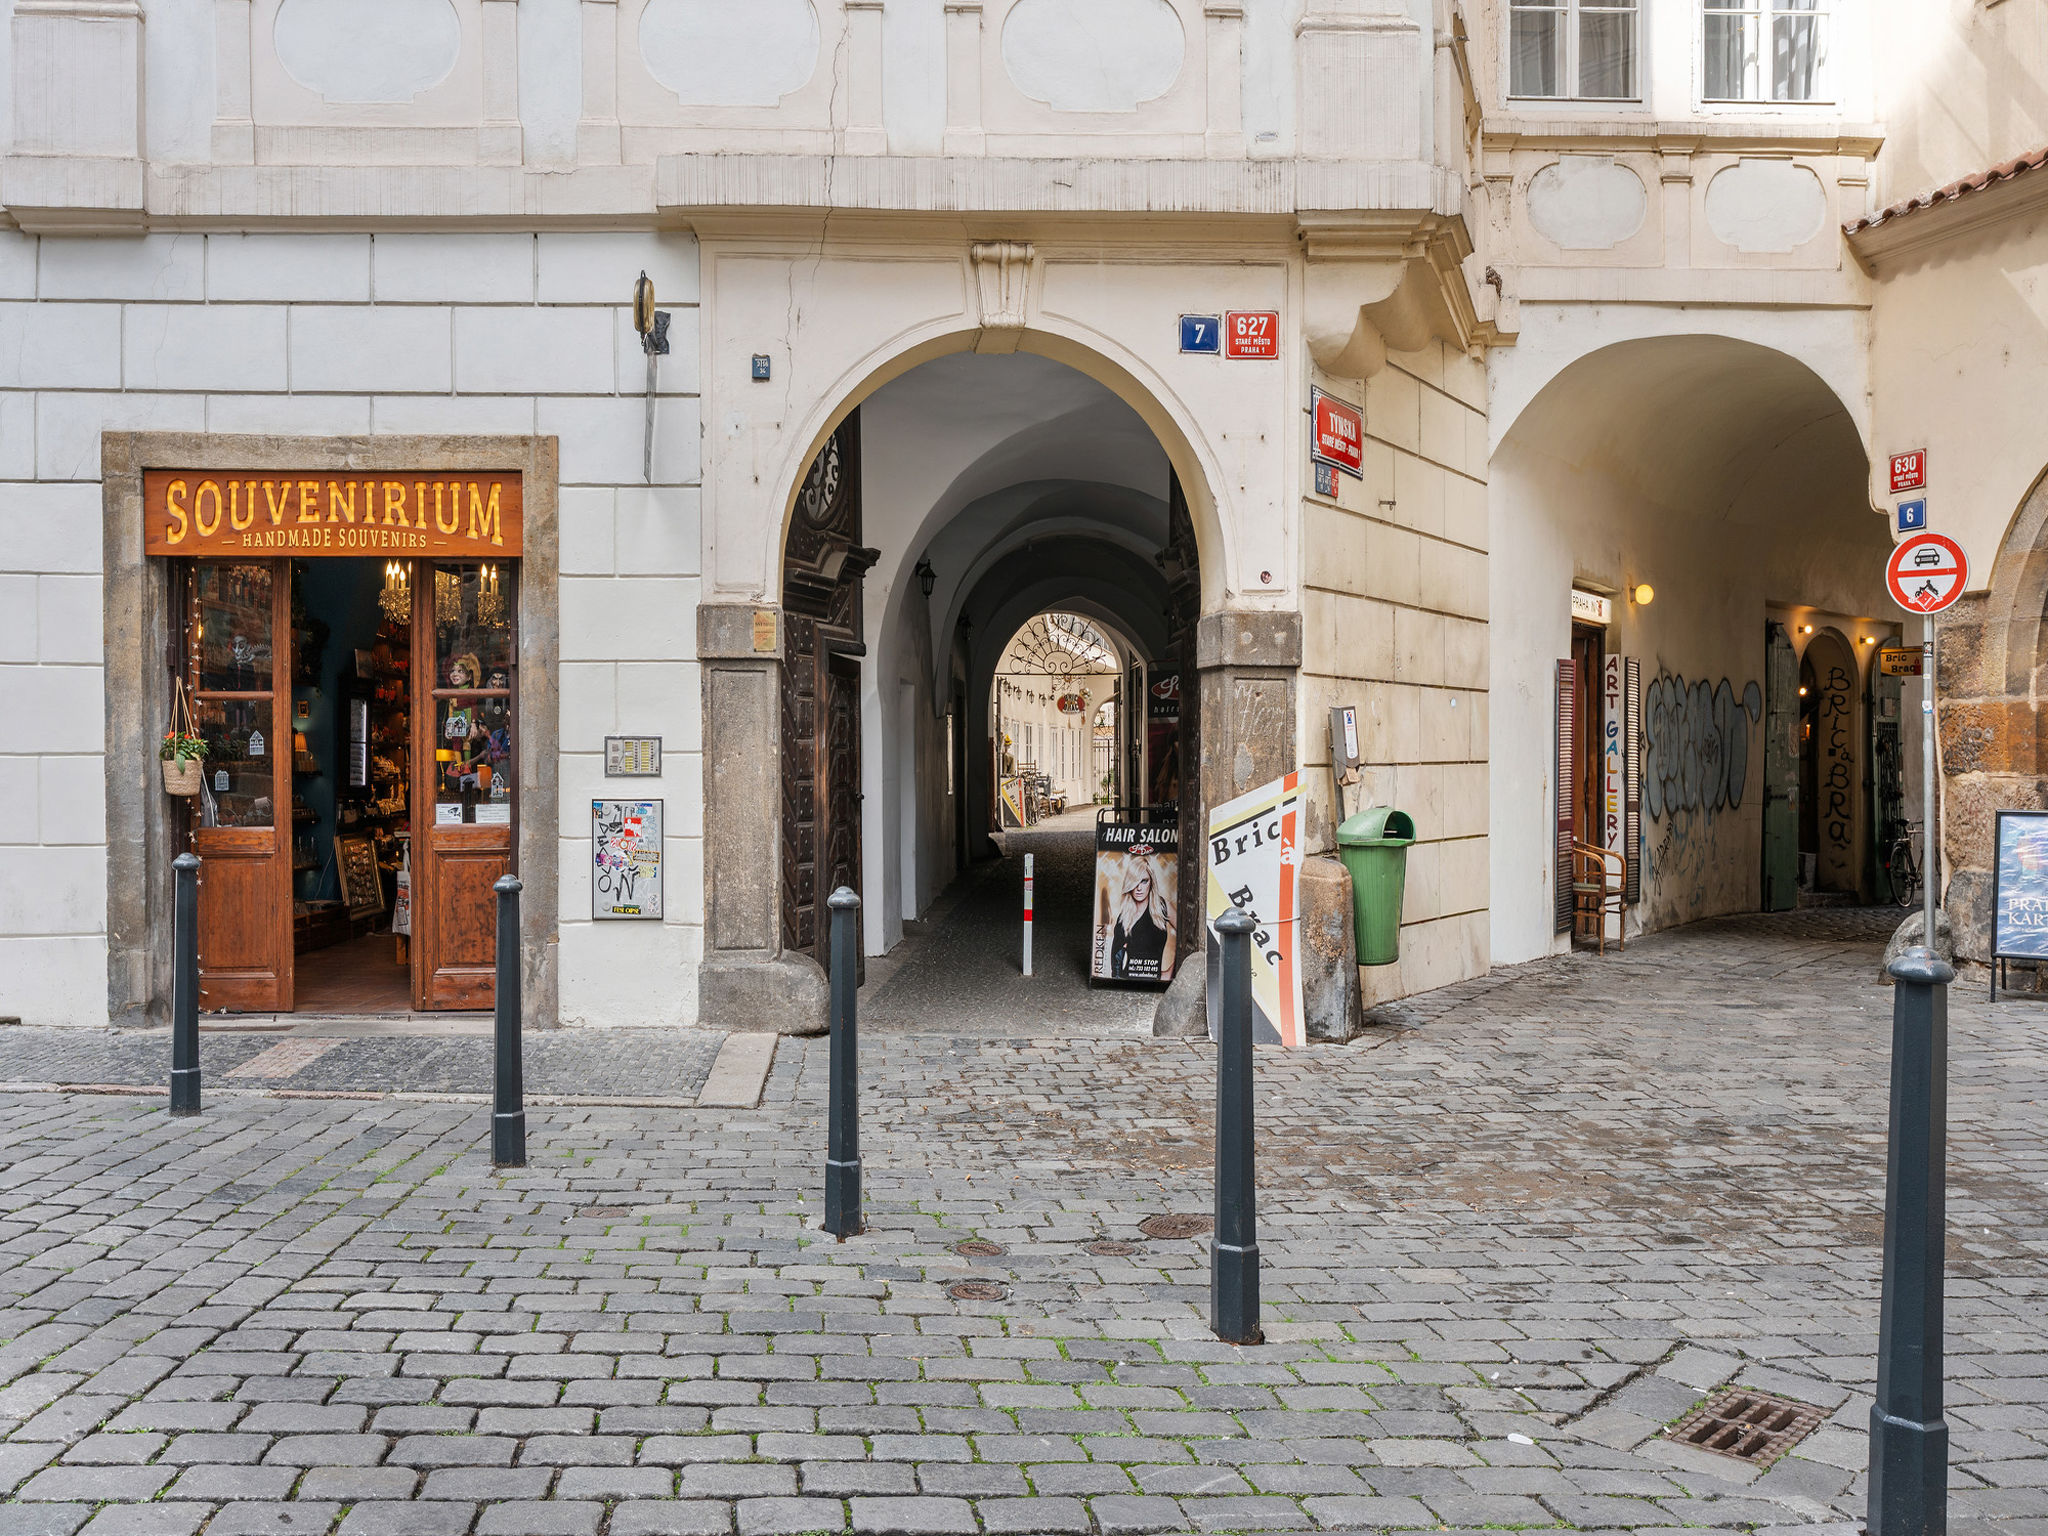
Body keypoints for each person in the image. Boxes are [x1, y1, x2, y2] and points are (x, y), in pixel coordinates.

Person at [1109, 845, 1177, 981]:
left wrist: (1170, 971)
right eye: (1134, 882)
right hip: (1128, 981)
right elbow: (1115, 964)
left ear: (1151, 882)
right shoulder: (1124, 917)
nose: (1139, 888)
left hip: (1155, 981)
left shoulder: (1162, 907)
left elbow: (1187, 938)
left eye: (1144, 881)